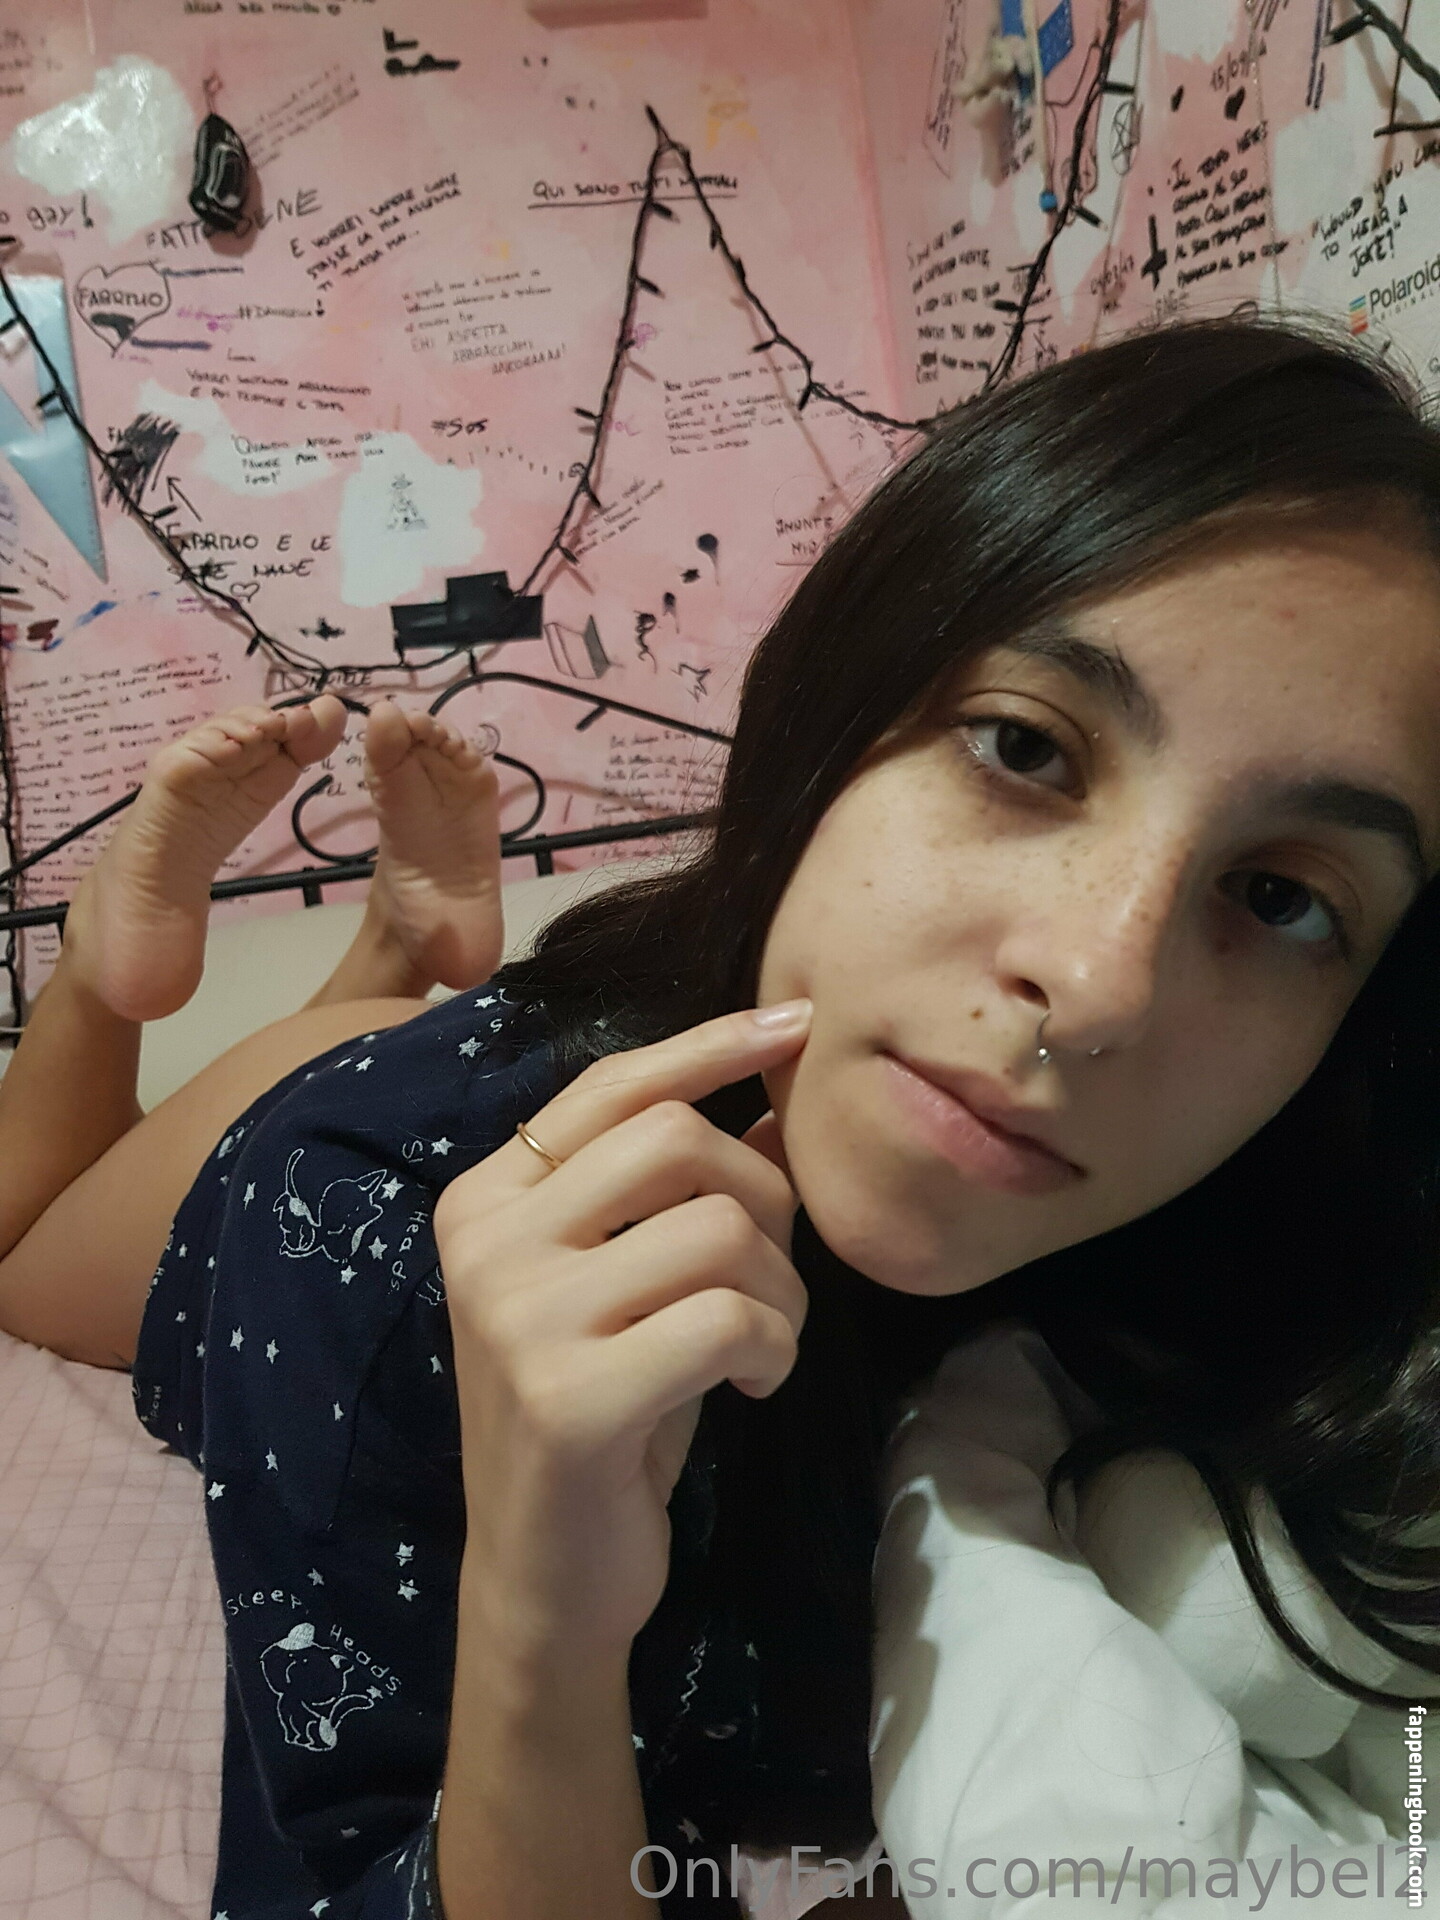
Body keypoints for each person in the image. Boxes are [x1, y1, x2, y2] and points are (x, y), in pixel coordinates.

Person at [0, 311, 1437, 1920]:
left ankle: (407, 942)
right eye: (1025, 746)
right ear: (826, 721)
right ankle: (118, 969)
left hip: (607, 1007)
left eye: (1281, 896)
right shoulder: (371, 1212)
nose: (1101, 987)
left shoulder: (1281, 1244)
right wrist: (542, 1617)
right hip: (330, 1118)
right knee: (21, 1259)